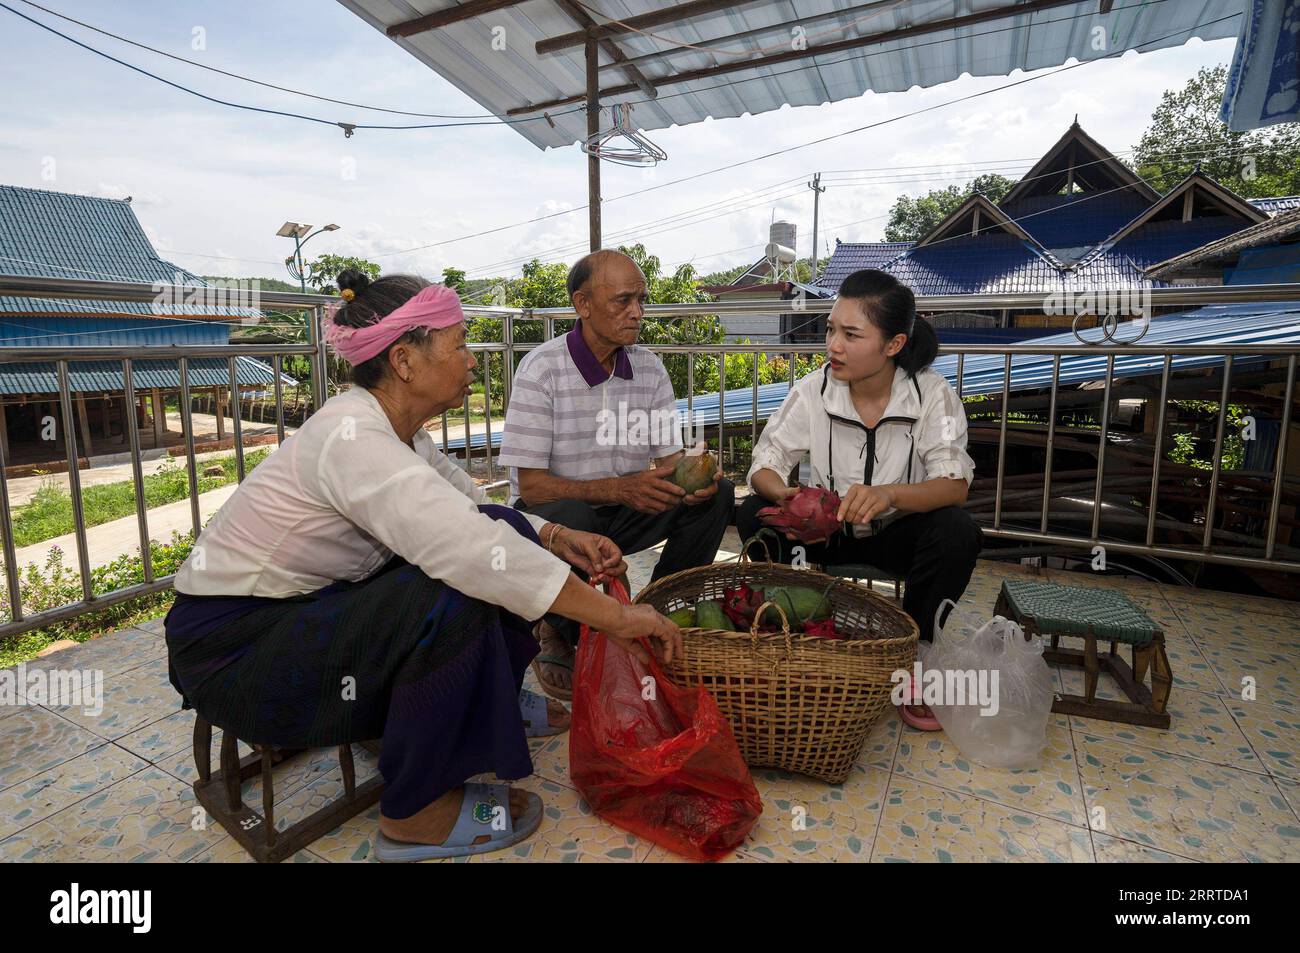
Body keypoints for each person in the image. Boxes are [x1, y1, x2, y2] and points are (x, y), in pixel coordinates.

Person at [163, 269, 681, 861]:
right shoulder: (354, 438)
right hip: (236, 652)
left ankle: (495, 698)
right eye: (459, 345)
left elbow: (474, 507)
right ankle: (416, 812)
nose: (471, 361)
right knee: (458, 588)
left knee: (506, 530)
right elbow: (465, 548)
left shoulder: (397, 432)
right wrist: (618, 617)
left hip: (300, 613)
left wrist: (555, 533)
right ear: (405, 360)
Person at [735, 269, 983, 731]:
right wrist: (784, 493)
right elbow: (765, 461)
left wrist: (889, 494)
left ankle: (917, 655)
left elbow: (953, 483)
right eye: (831, 329)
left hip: (895, 535)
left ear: (893, 344)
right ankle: (788, 633)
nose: (833, 345)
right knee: (753, 512)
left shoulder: (933, 395)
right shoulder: (814, 389)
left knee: (956, 531)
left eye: (851, 334)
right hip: (825, 536)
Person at [499, 249, 733, 701]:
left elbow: (668, 462)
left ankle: (658, 609)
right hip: (557, 520)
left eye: (641, 300)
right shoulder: (542, 369)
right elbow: (530, 488)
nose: (637, 313)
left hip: (626, 510)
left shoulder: (647, 368)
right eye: (623, 300)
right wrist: (618, 488)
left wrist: (694, 482)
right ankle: (563, 629)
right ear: (582, 304)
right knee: (571, 514)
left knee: (720, 495)